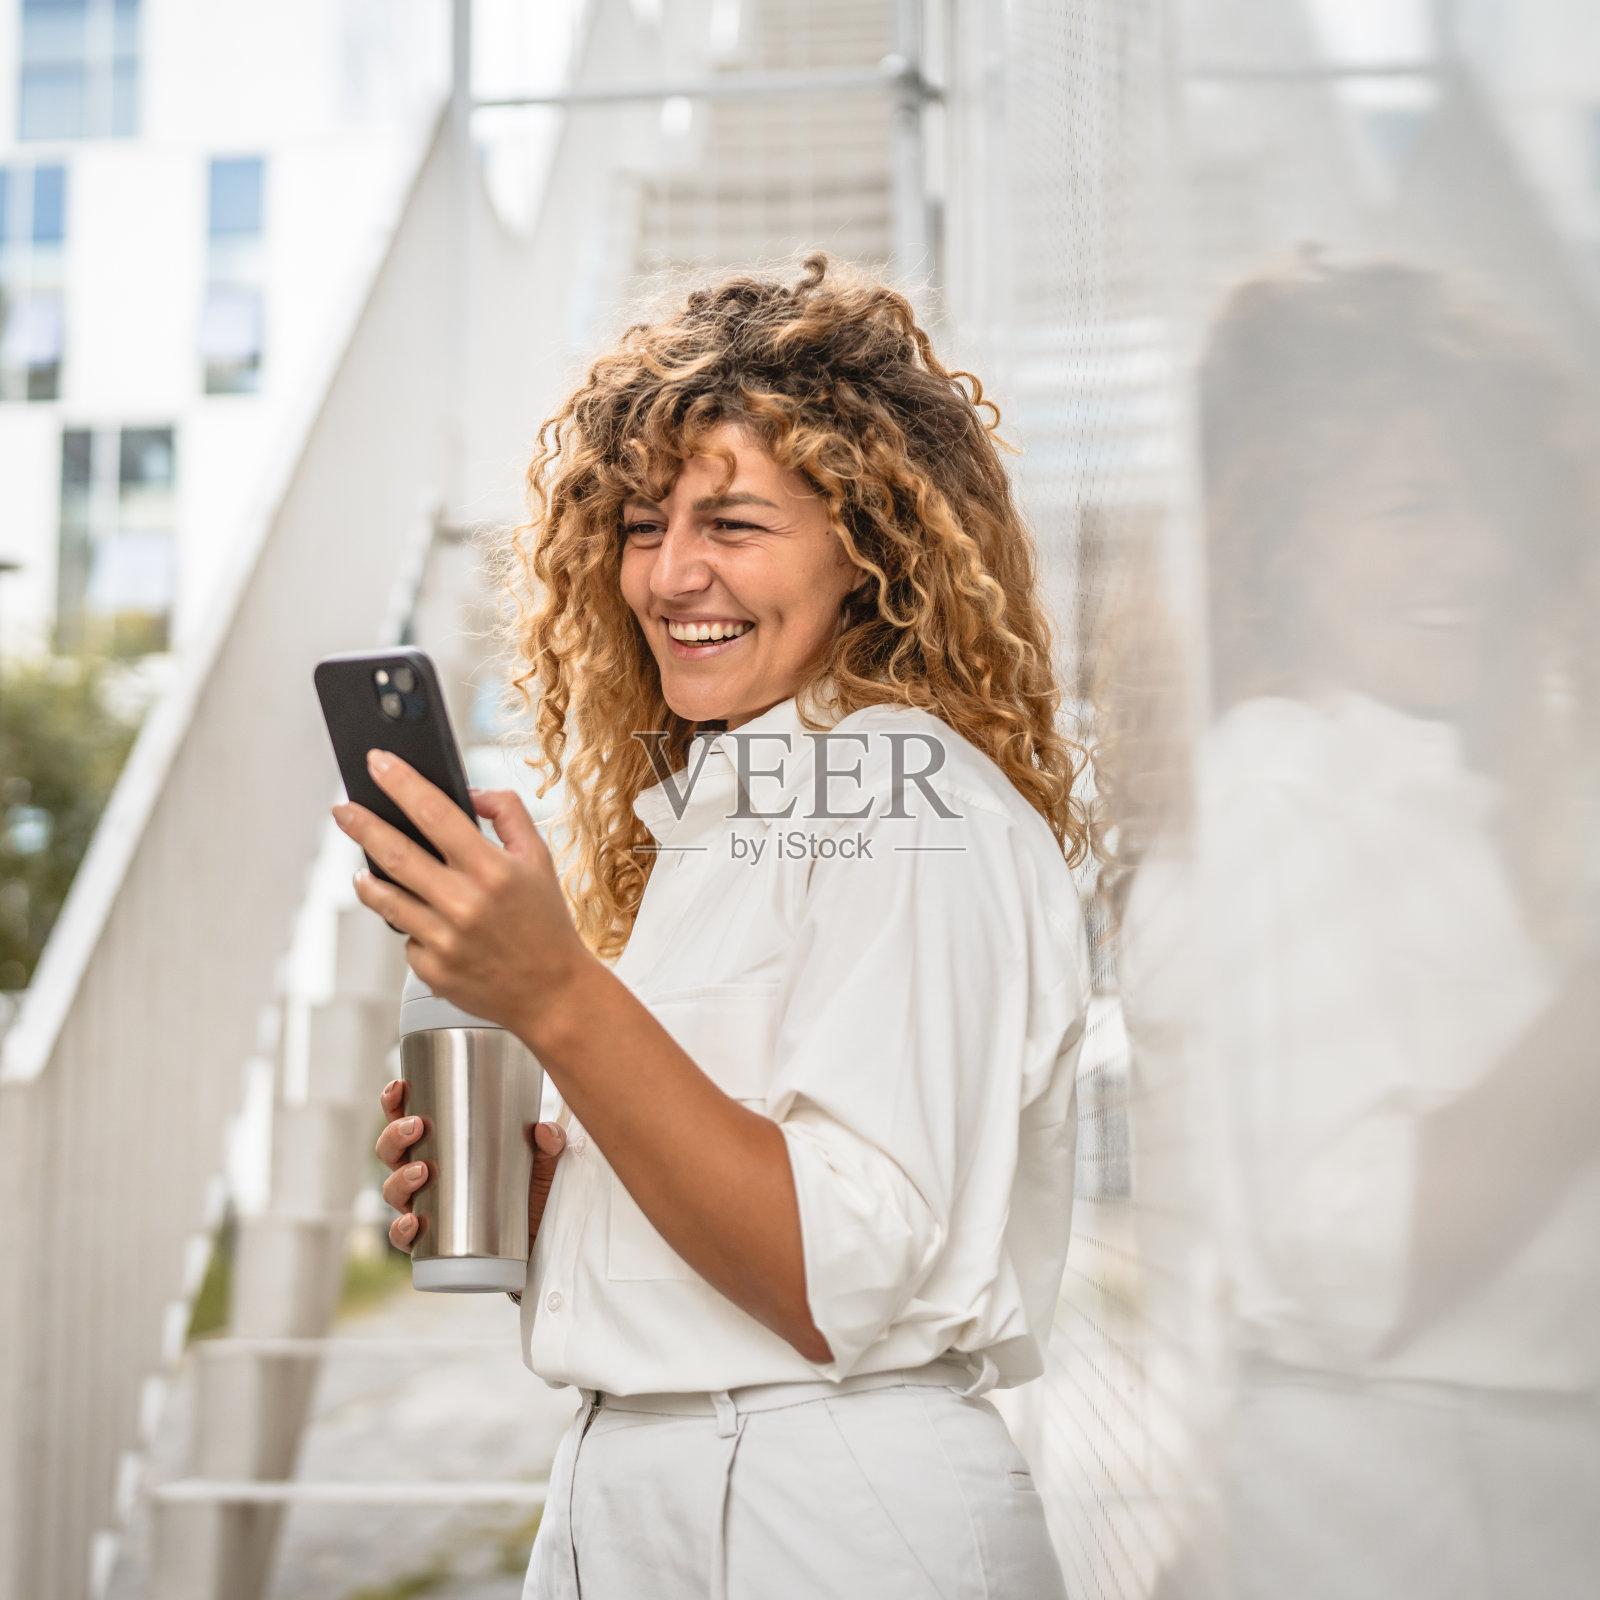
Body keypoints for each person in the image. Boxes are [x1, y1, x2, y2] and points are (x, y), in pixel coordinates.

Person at [332, 255, 1093, 1598]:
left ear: (870, 548)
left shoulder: (899, 793)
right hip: (657, 1493)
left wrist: (558, 995)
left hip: (822, 1520)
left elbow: (836, 1277)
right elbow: (748, 1183)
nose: (673, 573)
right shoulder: (730, 808)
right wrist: (569, 1198)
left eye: (734, 524)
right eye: (640, 526)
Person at [1116, 259, 1600, 1598]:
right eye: (1410, 506)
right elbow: (1351, 1254)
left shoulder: (1428, 792)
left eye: (1490, 505)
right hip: (1410, 1516)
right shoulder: (1283, 789)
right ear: (1274, 534)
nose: (1480, 557)